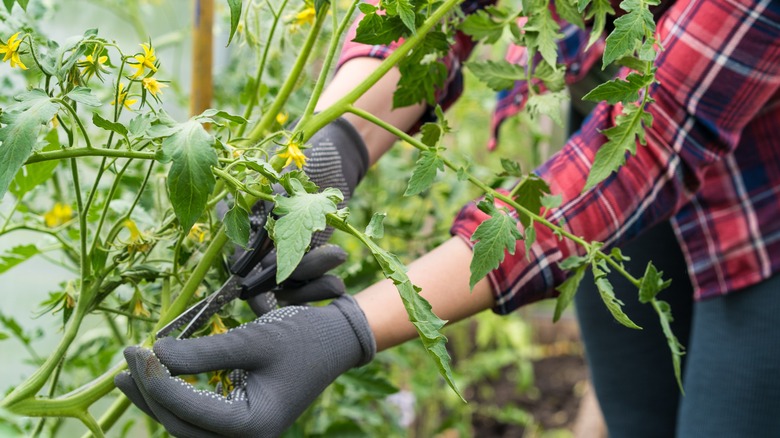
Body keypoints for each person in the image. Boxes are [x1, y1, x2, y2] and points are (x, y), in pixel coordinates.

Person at [115, 0, 780, 436]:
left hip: (758, 198)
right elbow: (435, 11)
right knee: (638, 412)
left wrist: (346, 332)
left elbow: (651, 138)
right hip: (625, 121)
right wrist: (330, 150)